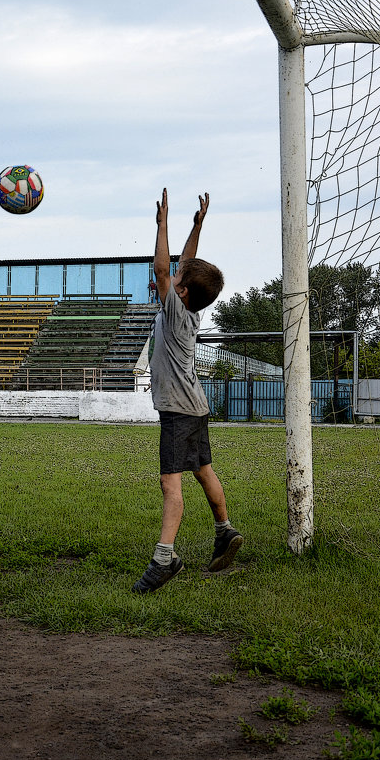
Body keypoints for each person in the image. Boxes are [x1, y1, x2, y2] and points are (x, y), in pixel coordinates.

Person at [133, 189, 240, 594]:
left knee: (171, 485)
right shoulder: (189, 308)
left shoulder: (173, 307)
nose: (173, 276)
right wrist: (197, 226)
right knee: (203, 470)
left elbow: (164, 269)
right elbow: (182, 267)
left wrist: (162, 224)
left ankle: (165, 557)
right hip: (196, 407)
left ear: (181, 293)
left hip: (179, 411)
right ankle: (225, 531)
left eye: (178, 279)